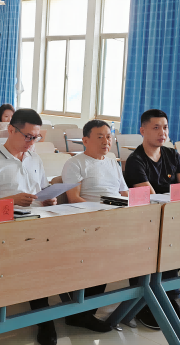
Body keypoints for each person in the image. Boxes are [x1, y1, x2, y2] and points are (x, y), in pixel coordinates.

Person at [0, 109, 60, 345]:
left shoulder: (34, 158)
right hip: (8, 227)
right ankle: (45, 321)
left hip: (39, 220)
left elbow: (41, 191)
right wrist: (11, 201)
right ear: (11, 130)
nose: (32, 142)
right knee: (38, 257)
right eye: (28, 137)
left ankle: (75, 307)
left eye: (36, 137)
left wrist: (49, 199)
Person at [124, 109, 180, 330]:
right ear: (142, 130)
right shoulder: (136, 160)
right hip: (144, 220)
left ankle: (169, 298)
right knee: (151, 252)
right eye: (156, 128)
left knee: (173, 249)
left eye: (165, 127)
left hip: (171, 214)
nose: (162, 132)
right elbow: (151, 197)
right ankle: (143, 305)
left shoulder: (172, 154)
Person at [60, 119, 127, 333]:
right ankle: (83, 314)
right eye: (100, 137)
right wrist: (103, 211)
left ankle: (140, 301)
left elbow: (124, 194)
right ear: (85, 140)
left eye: (109, 137)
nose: (106, 141)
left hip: (117, 217)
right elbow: (74, 198)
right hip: (90, 221)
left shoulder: (113, 163)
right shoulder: (76, 163)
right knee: (102, 256)